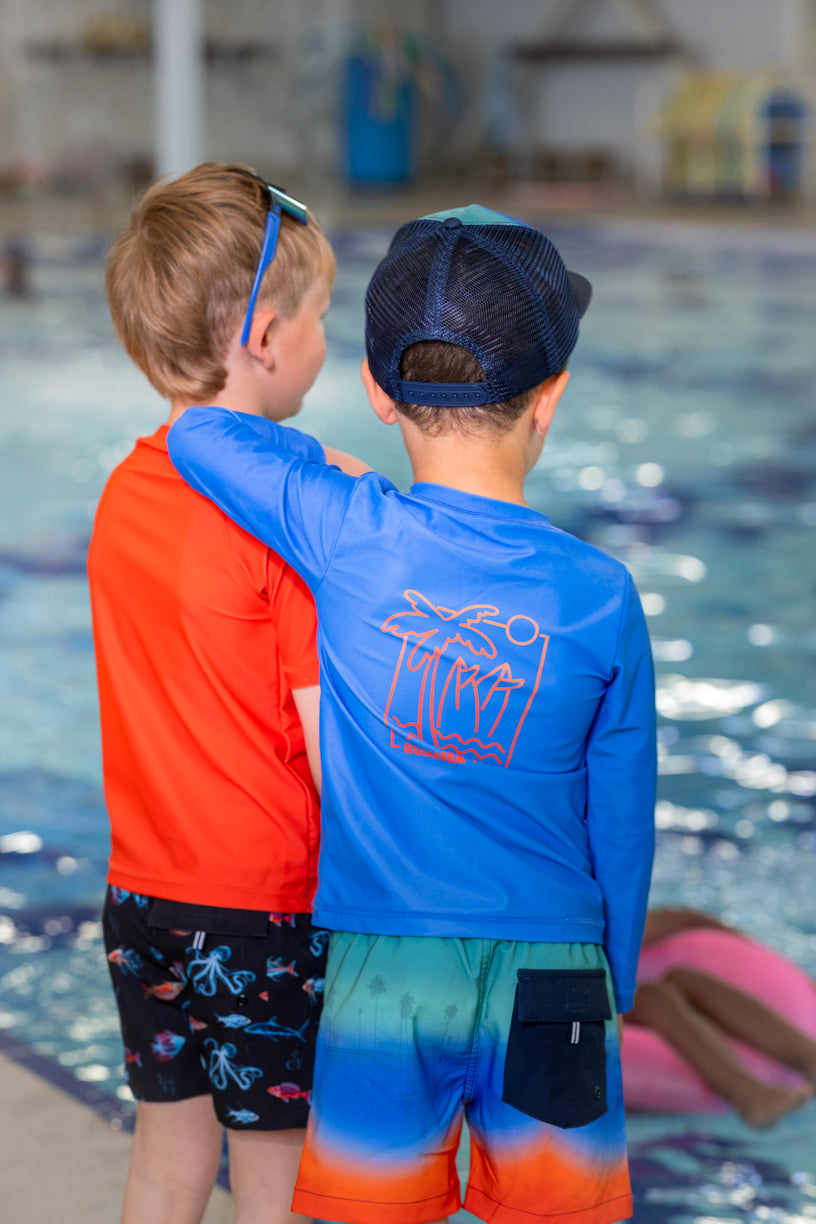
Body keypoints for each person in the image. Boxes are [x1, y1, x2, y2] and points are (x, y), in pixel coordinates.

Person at [168, 203, 657, 1224]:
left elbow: (200, 432)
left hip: (385, 973)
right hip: (552, 976)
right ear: (551, 399)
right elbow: (622, 821)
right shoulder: (599, 594)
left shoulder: (347, 532)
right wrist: (612, 978)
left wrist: (327, 473)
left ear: (378, 395)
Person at [89, 162, 365, 1224]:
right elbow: (323, 737)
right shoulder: (285, 522)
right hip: (259, 911)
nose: (326, 343)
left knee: (168, 1152)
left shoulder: (126, 490)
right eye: (319, 318)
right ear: (262, 338)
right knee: (277, 1174)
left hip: (142, 899)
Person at [622, 906, 816, 1128]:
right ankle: (749, 1094)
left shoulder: (601, 928)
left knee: (685, 977)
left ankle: (809, 1057)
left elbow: (685, 918)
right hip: (592, 1016)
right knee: (653, 996)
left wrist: (781, 969)